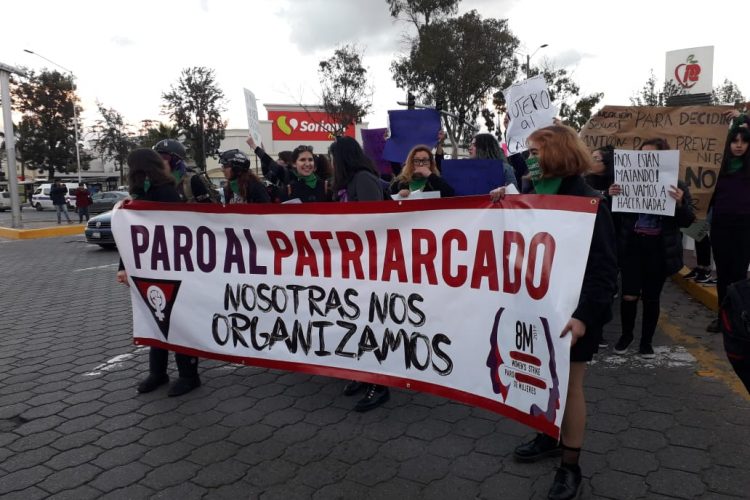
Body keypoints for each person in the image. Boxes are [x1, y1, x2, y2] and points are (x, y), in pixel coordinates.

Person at [491, 125, 618, 500]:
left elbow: (604, 272)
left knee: (570, 385)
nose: (528, 158)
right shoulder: (529, 194)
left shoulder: (589, 201)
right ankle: (548, 436)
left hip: (573, 315)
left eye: (534, 151)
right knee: (539, 378)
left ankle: (570, 466)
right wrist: (502, 201)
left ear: (556, 153)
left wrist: (584, 317)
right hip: (534, 310)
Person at [115, 149, 202, 397]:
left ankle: (189, 375)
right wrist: (124, 266)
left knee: (176, 320)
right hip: (149, 268)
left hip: (171, 268)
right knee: (154, 320)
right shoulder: (140, 194)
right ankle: (158, 372)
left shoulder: (164, 192)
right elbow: (132, 236)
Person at [608, 138, 695, 358]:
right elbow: (614, 216)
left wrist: (680, 203)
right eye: (642, 154)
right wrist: (612, 197)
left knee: (651, 297)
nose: (646, 159)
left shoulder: (677, 185)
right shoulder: (626, 181)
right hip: (632, 246)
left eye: (651, 155)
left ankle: (646, 342)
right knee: (628, 296)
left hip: (658, 248)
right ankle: (626, 336)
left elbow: (688, 220)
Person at [329, 136, 389, 411]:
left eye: (333, 158)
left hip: (369, 265)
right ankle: (362, 373)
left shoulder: (364, 179)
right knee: (354, 321)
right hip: (350, 265)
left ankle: (379, 383)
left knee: (371, 323)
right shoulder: (344, 184)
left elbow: (372, 222)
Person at [709, 126, 750, 332]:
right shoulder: (717, 169)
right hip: (721, 226)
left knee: (739, 275)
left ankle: (738, 320)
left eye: (744, 141)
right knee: (723, 275)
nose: (739, 145)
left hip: (744, 228)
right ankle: (722, 318)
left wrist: (740, 118)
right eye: (735, 141)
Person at [153, 139, 220, 203]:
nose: (159, 161)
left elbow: (207, 208)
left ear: (176, 160)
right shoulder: (153, 180)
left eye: (164, 157)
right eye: (157, 157)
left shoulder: (192, 180)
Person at [390, 145, 455, 198]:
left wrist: (430, 175)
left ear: (431, 163)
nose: (421, 164)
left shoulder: (436, 180)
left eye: (425, 161)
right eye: (416, 161)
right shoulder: (400, 182)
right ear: (411, 163)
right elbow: (387, 200)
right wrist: (398, 196)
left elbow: (450, 194)